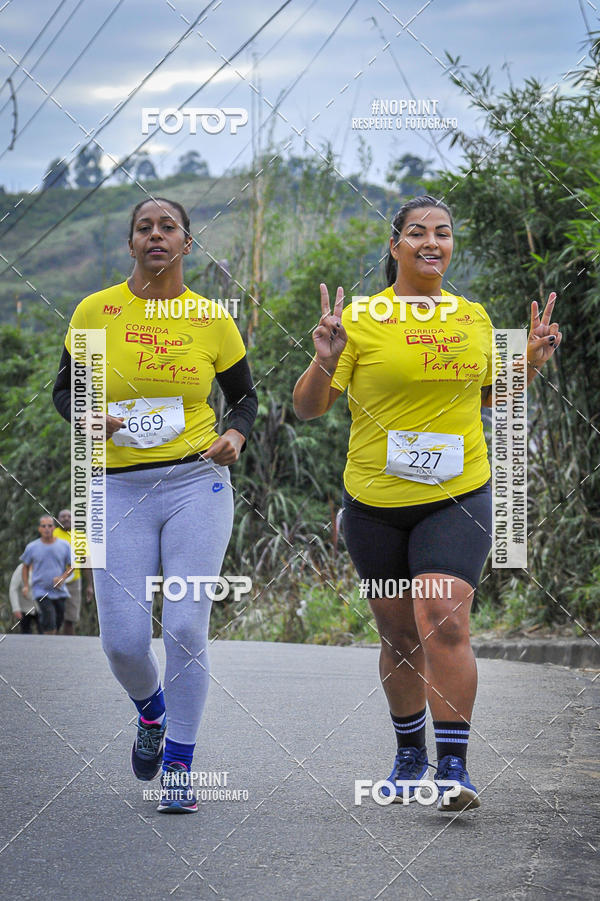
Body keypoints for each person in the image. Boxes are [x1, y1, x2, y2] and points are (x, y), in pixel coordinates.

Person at [293, 195, 561, 812]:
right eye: (417, 233)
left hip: (458, 493)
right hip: (375, 504)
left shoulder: (472, 318)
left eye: (442, 233)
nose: (431, 243)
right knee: (398, 633)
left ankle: (453, 769)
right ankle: (409, 753)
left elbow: (493, 395)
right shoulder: (360, 319)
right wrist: (323, 359)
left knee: (443, 615)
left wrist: (529, 364)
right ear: (395, 247)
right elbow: (310, 407)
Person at [52, 197, 257, 813]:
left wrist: (236, 434)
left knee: (189, 625)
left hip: (197, 483)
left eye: (169, 227)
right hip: (110, 486)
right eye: (145, 227)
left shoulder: (210, 318)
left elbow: (244, 399)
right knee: (122, 642)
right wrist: (91, 415)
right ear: (131, 243)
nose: (157, 236)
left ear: (186, 244)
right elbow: (65, 392)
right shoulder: (96, 311)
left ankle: (179, 766)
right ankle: (151, 714)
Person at [20, 516, 73, 635]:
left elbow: (72, 567)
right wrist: (26, 586)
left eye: (49, 526)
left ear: (54, 528)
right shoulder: (32, 547)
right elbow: (25, 566)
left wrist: (62, 578)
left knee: (58, 622)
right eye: (44, 526)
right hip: (41, 590)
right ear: (39, 529)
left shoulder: (64, 545)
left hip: (60, 591)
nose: (47, 529)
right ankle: (48, 648)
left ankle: (47, 640)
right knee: (50, 619)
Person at [53, 509, 94, 635]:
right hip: (54, 580)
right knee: (53, 616)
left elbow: (86, 561)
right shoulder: (52, 534)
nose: (66, 519)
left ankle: (67, 646)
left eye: (69, 516)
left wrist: (90, 586)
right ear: (57, 520)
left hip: (74, 581)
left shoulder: (79, 536)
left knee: (70, 618)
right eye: (62, 516)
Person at [9, 562, 42, 633]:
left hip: (40, 606)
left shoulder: (43, 566)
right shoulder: (20, 568)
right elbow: (13, 589)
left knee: (44, 632)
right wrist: (16, 608)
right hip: (24, 608)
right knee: (25, 634)